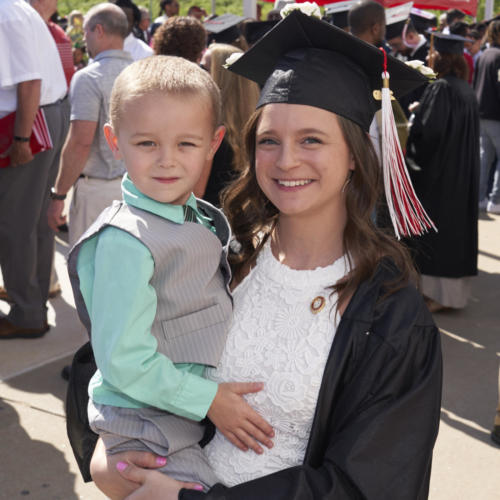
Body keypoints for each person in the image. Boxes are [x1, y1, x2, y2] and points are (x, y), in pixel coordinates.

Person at [83, 9, 442, 500]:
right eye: (269, 140)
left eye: (311, 140)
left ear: (355, 154)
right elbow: (108, 354)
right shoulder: (222, 253)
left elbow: (367, 486)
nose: (286, 160)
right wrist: (100, 452)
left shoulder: (390, 317)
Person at [68, 55, 275, 494]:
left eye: (186, 144)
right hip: (146, 422)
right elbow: (125, 361)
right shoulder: (125, 241)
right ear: (114, 141)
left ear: (214, 142)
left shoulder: (193, 215)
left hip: (171, 409)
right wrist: (210, 401)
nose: (167, 161)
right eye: (146, 144)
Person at [0, 0, 69, 339]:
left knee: (15, 225)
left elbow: (30, 82)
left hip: (29, 122)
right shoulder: (15, 8)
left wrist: (21, 138)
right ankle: (31, 297)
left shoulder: (6, 12)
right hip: (42, 116)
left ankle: (27, 311)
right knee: (33, 221)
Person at [47, 3, 132, 248]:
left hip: (97, 193)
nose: (83, 40)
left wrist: (59, 194)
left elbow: (79, 142)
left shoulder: (88, 77)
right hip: (136, 189)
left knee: (88, 277)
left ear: (99, 30)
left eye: (85, 33)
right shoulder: (140, 70)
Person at [405, 32, 480, 312]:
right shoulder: (465, 89)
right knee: (454, 234)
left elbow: (429, 134)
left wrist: (416, 116)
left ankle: (436, 296)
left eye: (432, 54)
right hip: (460, 176)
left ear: (441, 58)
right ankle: (450, 297)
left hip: (441, 176)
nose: (427, 57)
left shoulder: (441, 89)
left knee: (438, 234)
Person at [200, 43, 260, 206]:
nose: (197, 73)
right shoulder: (261, 130)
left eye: (204, 68)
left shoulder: (211, 133)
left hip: (210, 221)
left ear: (220, 78)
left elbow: (197, 192)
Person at [474, 20, 500, 214]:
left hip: (482, 111)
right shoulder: (498, 55)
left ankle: (480, 197)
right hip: (495, 114)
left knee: (485, 157)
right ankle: (495, 200)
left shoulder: (485, 54)